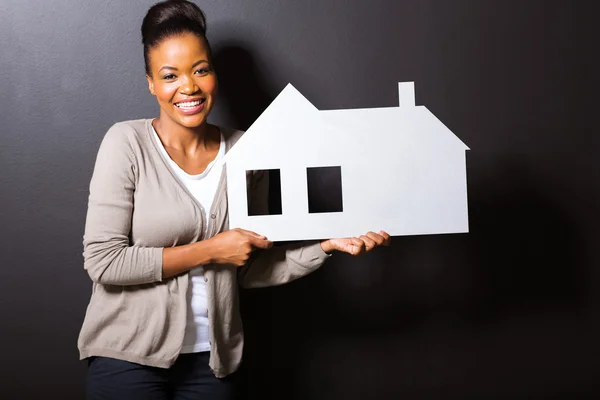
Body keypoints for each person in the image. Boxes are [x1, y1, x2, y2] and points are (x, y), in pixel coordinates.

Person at [78, 1, 391, 399]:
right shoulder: (126, 143)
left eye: (200, 70)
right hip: (126, 360)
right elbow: (104, 261)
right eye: (170, 75)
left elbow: (248, 267)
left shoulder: (248, 150)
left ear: (213, 75)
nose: (188, 87)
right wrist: (211, 250)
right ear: (151, 84)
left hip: (213, 364)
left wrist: (325, 246)